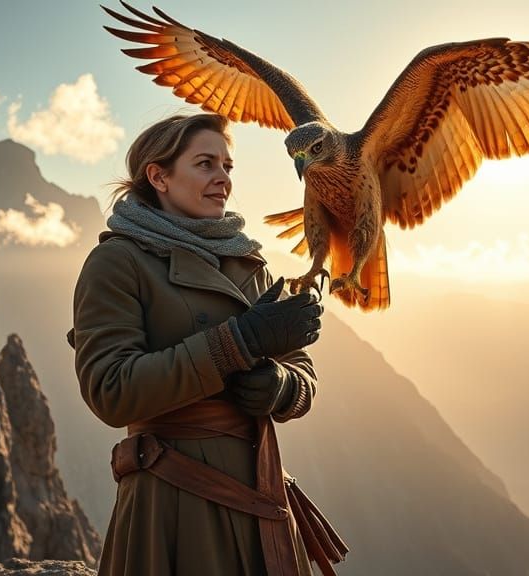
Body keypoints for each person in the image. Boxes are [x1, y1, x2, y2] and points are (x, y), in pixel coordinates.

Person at [70, 113, 346, 575]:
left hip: (261, 492)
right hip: (173, 503)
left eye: (228, 166)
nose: (223, 179)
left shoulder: (244, 260)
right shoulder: (115, 262)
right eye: (205, 164)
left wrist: (282, 386)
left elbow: (301, 370)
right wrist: (238, 342)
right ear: (158, 176)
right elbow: (110, 391)